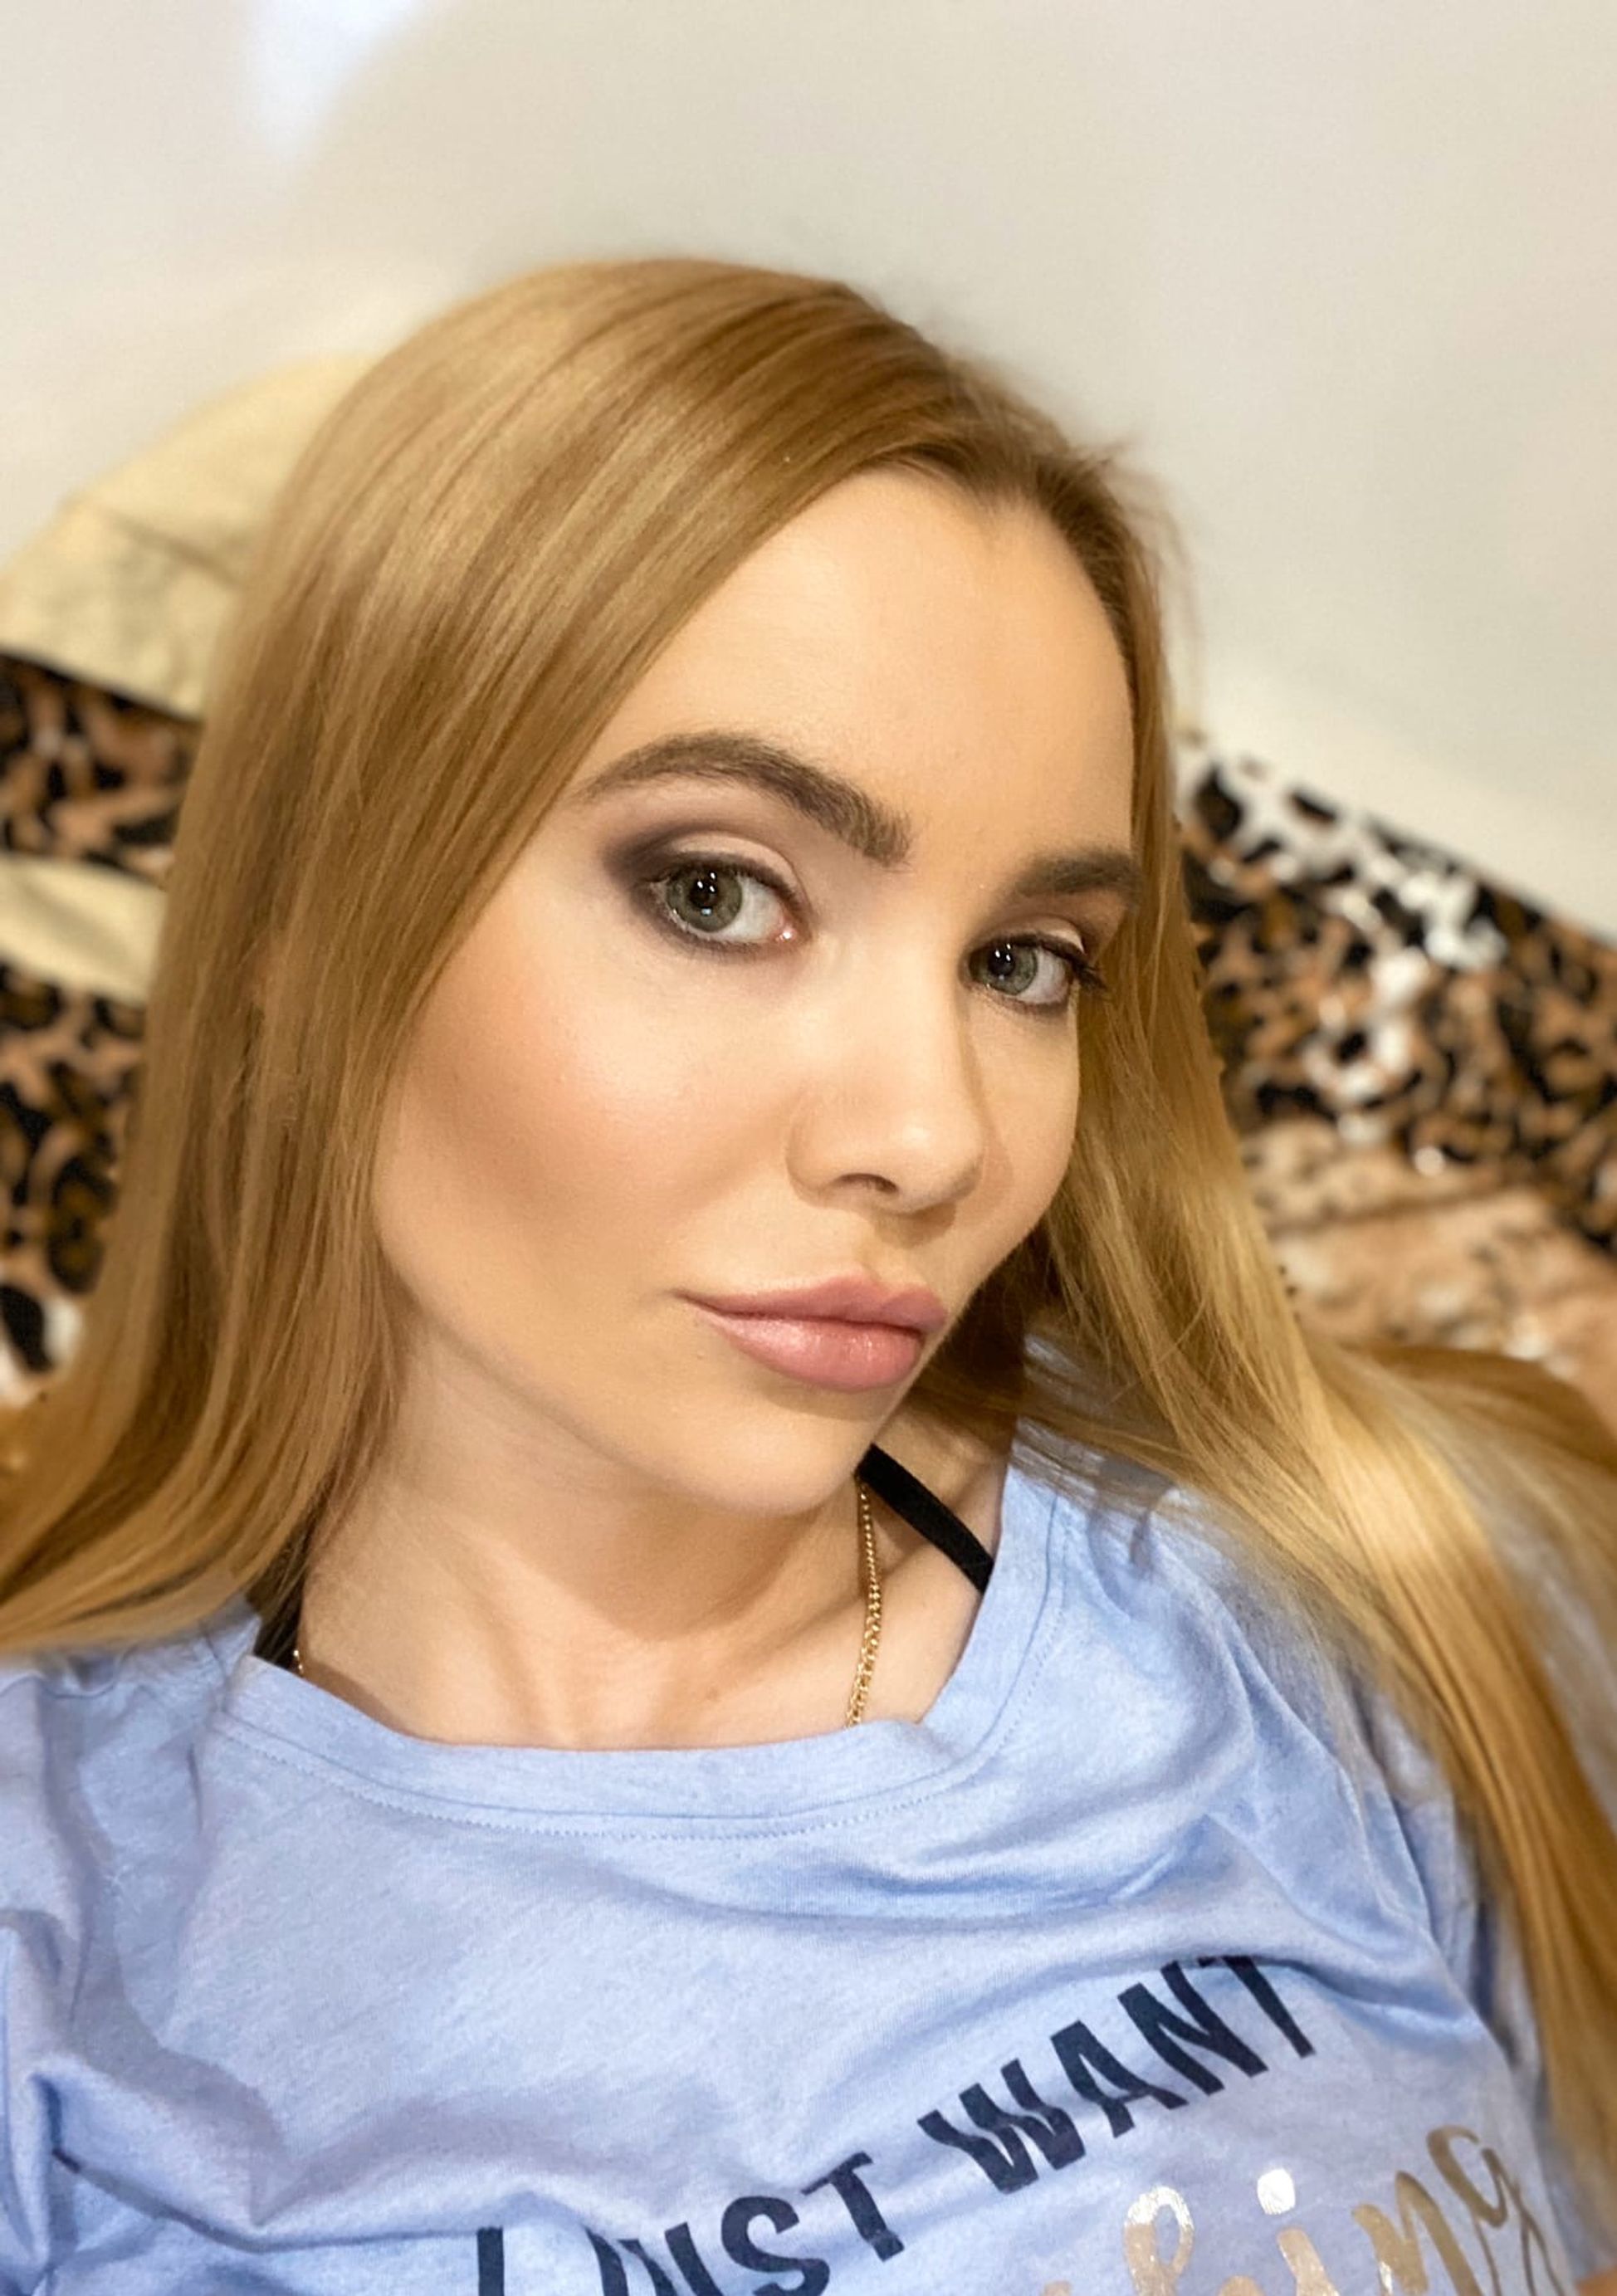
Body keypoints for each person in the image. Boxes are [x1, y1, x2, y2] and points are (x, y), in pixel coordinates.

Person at [0, 256, 1613, 2296]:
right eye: (715, 893)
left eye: (1022, 961)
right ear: (306, 937)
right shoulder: (62, 1938)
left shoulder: (1382, 1583)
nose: (931, 1137)